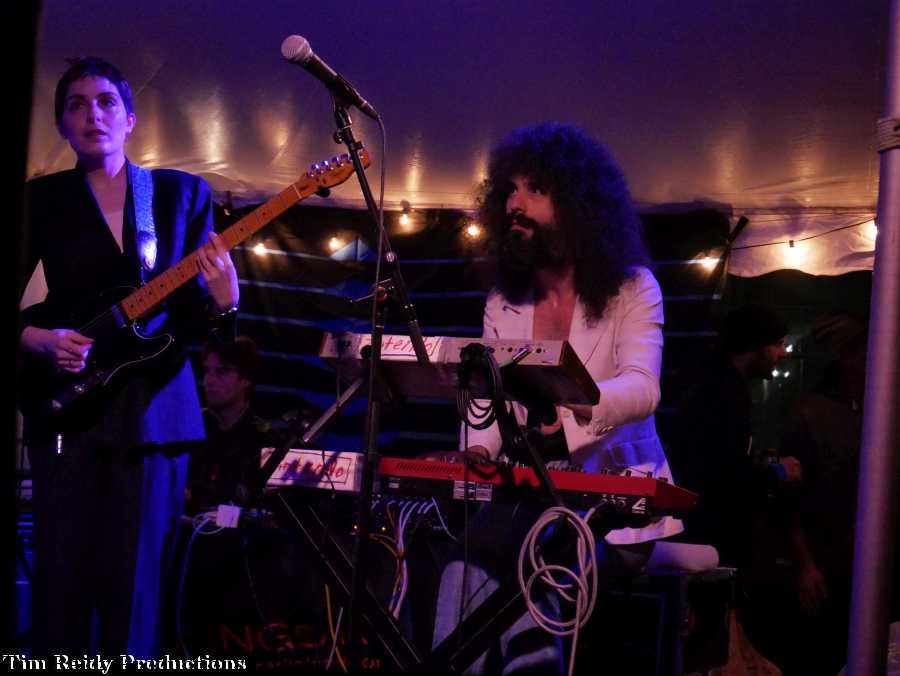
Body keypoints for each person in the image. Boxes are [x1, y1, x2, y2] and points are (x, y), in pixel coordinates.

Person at [431, 122, 683, 674]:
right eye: (509, 190)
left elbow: (642, 387)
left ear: (577, 205)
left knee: (532, 564)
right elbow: (490, 401)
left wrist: (565, 429)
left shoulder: (633, 287)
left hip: (616, 510)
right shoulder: (504, 300)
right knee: (463, 561)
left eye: (535, 190)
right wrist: (476, 452)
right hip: (531, 498)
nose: (514, 205)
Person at [17, 57, 239, 658]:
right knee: (62, 584)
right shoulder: (41, 200)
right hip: (69, 410)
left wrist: (226, 301)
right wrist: (38, 339)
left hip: (156, 413)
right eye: (77, 104)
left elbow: (197, 314)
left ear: (131, 118)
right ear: (62, 125)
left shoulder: (180, 193)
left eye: (106, 102)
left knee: (138, 592)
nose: (93, 114)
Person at [667, 304, 795, 571]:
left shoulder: (720, 384)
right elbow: (721, 473)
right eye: (777, 344)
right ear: (756, 344)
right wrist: (778, 472)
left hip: (707, 532)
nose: (783, 353)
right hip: (709, 537)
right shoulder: (722, 392)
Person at [185, 336, 275, 513]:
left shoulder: (264, 440)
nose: (209, 380)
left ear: (246, 379)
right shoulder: (189, 428)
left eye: (221, 371)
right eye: (207, 371)